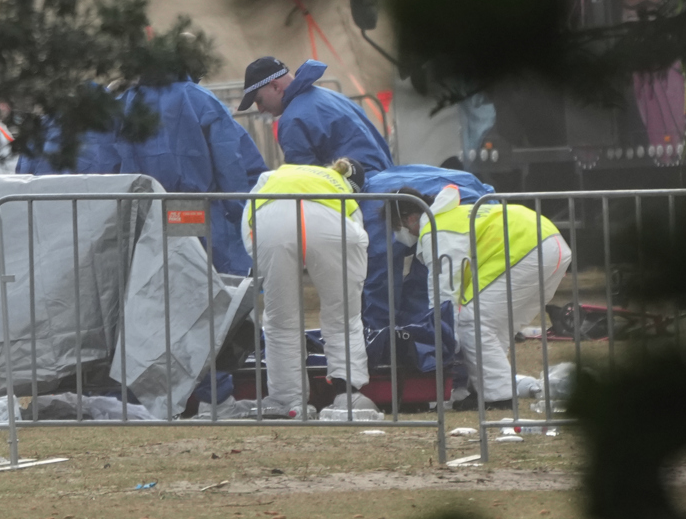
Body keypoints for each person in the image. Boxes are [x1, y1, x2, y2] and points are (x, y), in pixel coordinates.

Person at [388, 185, 572, 409]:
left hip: (528, 249)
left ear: (411, 218)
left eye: (397, 227)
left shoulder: (436, 229)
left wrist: (444, 330)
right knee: (495, 329)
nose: (397, 234)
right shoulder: (451, 216)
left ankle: (498, 396)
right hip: (549, 245)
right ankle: (484, 390)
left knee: (471, 322)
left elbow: (445, 284)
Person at [242, 157, 377, 417]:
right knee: (344, 317)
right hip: (331, 220)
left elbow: (249, 217)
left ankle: (288, 402)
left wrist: (264, 266)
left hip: (271, 220)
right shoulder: (342, 189)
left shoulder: (278, 173)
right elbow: (357, 236)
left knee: (281, 321)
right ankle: (348, 395)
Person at [115, 76, 265, 277]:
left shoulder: (126, 102)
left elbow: (106, 158)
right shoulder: (199, 98)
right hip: (195, 209)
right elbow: (228, 160)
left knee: (161, 282)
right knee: (205, 281)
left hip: (144, 212)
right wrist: (239, 211)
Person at [359, 165, 494, 375]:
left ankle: (441, 357)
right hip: (473, 196)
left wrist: (378, 335)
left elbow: (381, 280)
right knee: (443, 289)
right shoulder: (377, 183)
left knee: (441, 294)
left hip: (454, 209)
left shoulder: (370, 209)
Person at [238, 57, 393, 176]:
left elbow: (308, 184)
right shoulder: (329, 95)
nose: (260, 109)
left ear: (275, 86)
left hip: (359, 197)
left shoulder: (293, 121)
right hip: (383, 183)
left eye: (259, 100)